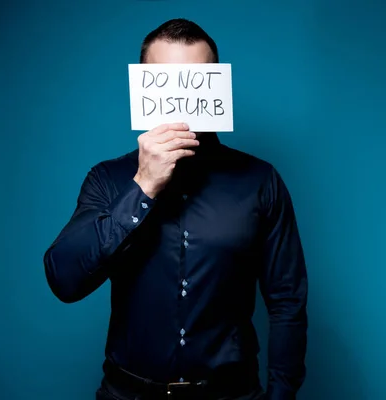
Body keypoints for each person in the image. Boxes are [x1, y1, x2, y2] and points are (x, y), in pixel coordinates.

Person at [43, 18, 308, 400]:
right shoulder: (108, 179)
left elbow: (287, 300)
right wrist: (144, 186)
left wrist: (281, 395)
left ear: (217, 87)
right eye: (166, 83)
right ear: (143, 89)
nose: (183, 101)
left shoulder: (260, 181)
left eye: (197, 82)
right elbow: (63, 280)